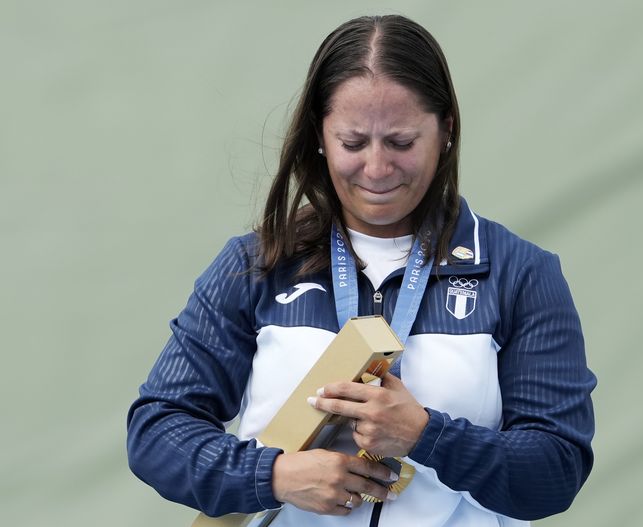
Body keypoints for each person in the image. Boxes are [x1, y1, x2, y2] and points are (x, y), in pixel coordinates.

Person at [127, 14, 596, 527]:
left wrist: (426, 435)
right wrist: (275, 476)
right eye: (353, 143)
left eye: (401, 142)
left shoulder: (520, 273)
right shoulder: (256, 264)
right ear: (320, 137)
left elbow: (556, 473)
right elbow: (156, 431)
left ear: (446, 131)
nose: (376, 170)